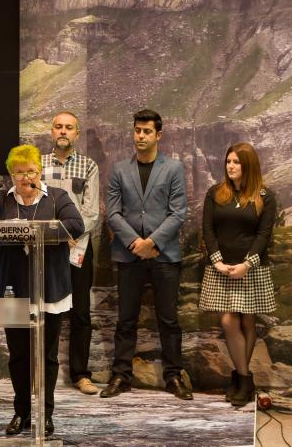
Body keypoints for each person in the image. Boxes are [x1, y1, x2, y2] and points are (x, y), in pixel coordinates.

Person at [0, 144, 84, 437]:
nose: (25, 178)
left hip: (50, 289)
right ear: (11, 175)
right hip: (12, 288)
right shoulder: (0, 200)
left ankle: (45, 414)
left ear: (39, 171)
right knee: (18, 356)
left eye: (30, 171)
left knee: (47, 356)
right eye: (19, 173)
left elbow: (76, 225)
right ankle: (21, 413)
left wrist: (40, 232)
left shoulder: (57, 197)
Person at [99, 108, 192, 401]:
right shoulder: (119, 169)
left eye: (147, 131)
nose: (140, 136)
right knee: (125, 319)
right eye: (137, 130)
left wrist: (152, 242)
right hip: (128, 256)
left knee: (169, 319)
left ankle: (173, 376)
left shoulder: (173, 168)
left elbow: (178, 213)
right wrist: (134, 243)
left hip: (164, 256)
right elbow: (113, 213)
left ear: (158, 135)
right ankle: (121, 376)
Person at [199, 142, 277, 407]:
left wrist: (247, 264)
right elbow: (208, 230)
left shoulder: (265, 196)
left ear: (248, 166)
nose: (231, 166)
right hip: (221, 269)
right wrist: (218, 261)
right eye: (228, 161)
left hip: (251, 269)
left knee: (247, 323)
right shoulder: (215, 193)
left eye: (236, 162)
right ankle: (245, 379)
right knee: (229, 322)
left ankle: (239, 380)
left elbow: (264, 234)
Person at [41, 111, 102, 395]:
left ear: (77, 134)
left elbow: (91, 212)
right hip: (45, 249)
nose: (63, 131)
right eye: (58, 127)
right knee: (45, 311)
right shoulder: (38, 165)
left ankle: (80, 375)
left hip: (78, 248)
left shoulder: (88, 166)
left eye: (69, 127)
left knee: (80, 313)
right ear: (51, 132)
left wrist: (69, 234)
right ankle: (40, 372)